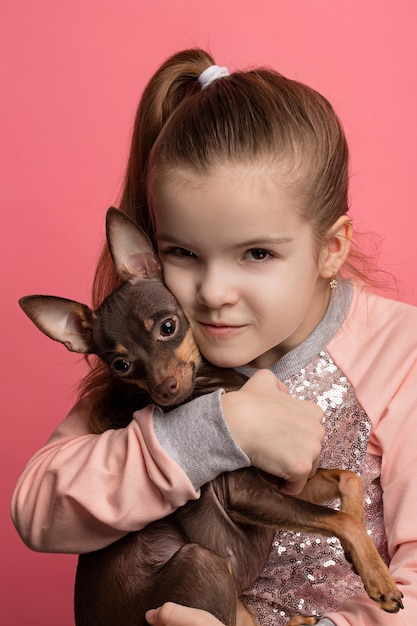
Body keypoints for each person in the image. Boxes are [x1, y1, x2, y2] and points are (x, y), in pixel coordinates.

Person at [11, 48, 417, 626]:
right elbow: (36, 508)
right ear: (151, 257)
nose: (213, 292)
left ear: (331, 249)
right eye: (184, 252)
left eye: (256, 253)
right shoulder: (155, 364)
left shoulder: (400, 353)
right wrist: (213, 430)